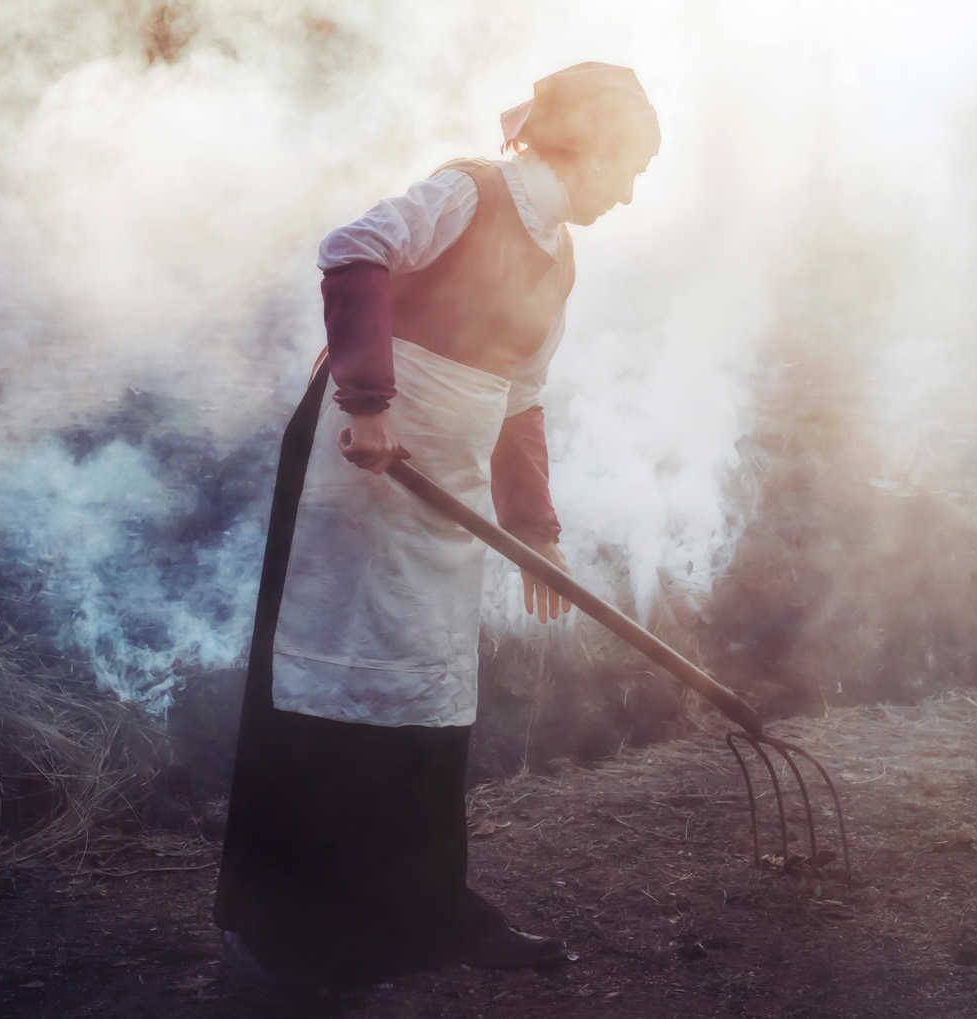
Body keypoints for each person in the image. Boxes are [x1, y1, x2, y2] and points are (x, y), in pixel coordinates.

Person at [213, 62, 659, 984]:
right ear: (591, 146)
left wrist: (535, 528)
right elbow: (355, 251)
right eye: (630, 167)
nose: (631, 191)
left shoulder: (561, 258)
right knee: (326, 691)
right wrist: (367, 398)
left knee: (428, 695)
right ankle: (289, 934)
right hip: (356, 476)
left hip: (440, 491)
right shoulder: (472, 191)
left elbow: (522, 400)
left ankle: (430, 913)